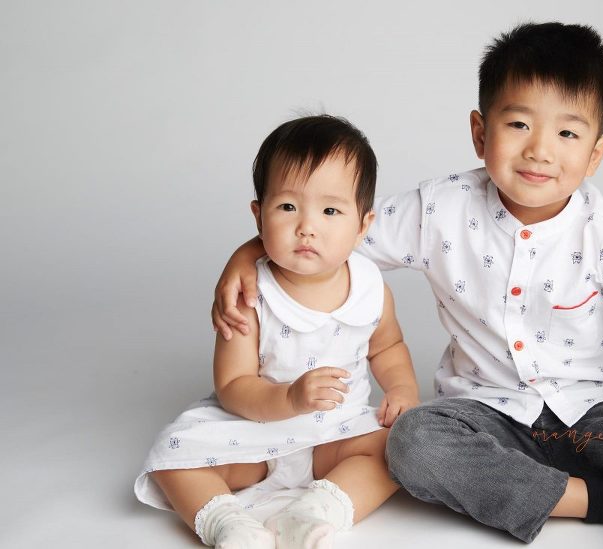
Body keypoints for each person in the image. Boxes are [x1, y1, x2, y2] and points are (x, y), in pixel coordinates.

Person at [211, 23, 603, 548]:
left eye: (567, 133)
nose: (540, 150)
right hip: (487, 418)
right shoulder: (439, 209)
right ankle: (602, 503)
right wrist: (250, 250)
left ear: (596, 153)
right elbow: (333, 232)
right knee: (414, 442)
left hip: (602, 410)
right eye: (519, 125)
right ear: (480, 132)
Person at [135, 115, 420, 549]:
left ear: (363, 225)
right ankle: (228, 525)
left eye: (330, 211)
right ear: (258, 214)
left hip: (335, 432)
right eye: (287, 207)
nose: (307, 226)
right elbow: (232, 385)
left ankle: (315, 512)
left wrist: (402, 389)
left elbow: (388, 346)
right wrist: (288, 399)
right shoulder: (250, 292)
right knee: (172, 457)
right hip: (256, 433)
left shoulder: (369, 287)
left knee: (396, 452)